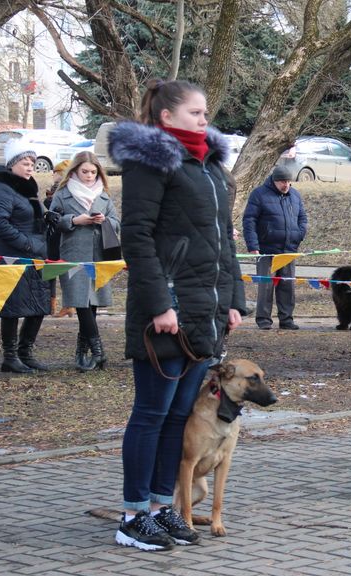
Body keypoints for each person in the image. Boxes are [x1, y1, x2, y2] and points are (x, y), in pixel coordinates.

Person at [107, 79, 246, 551]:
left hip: (203, 315)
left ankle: (163, 507)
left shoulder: (209, 166)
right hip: (165, 314)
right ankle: (132, 515)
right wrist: (159, 304)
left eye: (206, 112)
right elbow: (137, 237)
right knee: (150, 413)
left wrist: (233, 300)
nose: (204, 119)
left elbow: (224, 241)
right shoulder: (152, 161)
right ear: (166, 117)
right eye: (195, 112)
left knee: (176, 419)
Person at [48, 151, 119, 371]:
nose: (89, 176)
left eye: (93, 172)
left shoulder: (104, 195)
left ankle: (82, 350)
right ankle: (99, 353)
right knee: (80, 301)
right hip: (73, 254)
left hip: (99, 254)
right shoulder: (63, 193)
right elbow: (52, 220)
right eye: (85, 171)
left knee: (93, 301)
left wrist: (105, 220)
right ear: (75, 171)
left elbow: (117, 222)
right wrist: (74, 220)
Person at [0, 139, 52, 374]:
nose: (30, 167)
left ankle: (26, 353)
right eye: (25, 163)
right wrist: (26, 245)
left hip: (36, 255)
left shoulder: (28, 188)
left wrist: (48, 217)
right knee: (13, 307)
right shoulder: (2, 188)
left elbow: (29, 217)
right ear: (12, 164)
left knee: (38, 305)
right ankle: (10, 357)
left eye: (32, 163)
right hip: (12, 258)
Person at [242, 165, 307, 330]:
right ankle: (264, 320)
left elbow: (302, 217)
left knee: (287, 286)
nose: (286, 185)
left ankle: (287, 319)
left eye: (288, 181)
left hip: (289, 250)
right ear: (274, 181)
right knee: (266, 285)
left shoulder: (295, 195)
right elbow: (249, 220)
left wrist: (299, 234)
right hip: (266, 249)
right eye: (282, 182)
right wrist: (253, 245)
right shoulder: (259, 194)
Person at [45, 159, 75, 318]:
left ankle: (59, 305)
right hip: (57, 234)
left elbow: (54, 212)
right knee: (56, 269)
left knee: (54, 268)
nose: (53, 175)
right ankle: (61, 305)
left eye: (55, 172)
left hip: (57, 235)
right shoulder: (58, 189)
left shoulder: (61, 190)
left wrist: (48, 201)